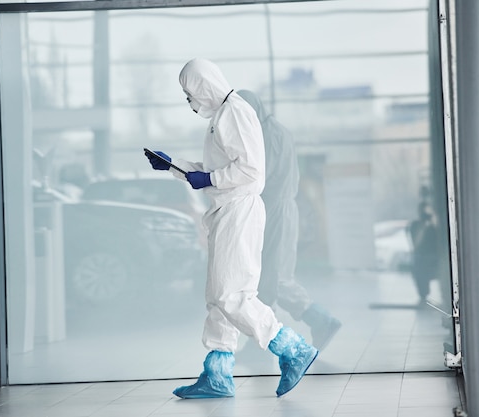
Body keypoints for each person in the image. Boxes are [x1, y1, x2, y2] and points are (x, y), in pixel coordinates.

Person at [145, 58, 318, 399]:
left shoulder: (234, 112)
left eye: (189, 93)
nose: (189, 101)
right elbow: (214, 170)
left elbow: (251, 171)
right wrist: (173, 165)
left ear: (205, 85)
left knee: (232, 295)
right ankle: (218, 374)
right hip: (227, 210)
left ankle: (292, 348)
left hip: (240, 211)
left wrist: (207, 178)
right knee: (218, 297)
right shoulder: (222, 117)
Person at [236, 90, 342, 351]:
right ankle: (260, 341)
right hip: (277, 208)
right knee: (267, 278)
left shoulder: (268, 135)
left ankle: (320, 320)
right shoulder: (274, 130)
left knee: (276, 278)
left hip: (276, 210)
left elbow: (259, 177)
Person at [408, 201, 440, 305]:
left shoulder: (435, 226)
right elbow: (416, 243)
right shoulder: (416, 225)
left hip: (435, 257)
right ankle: (423, 295)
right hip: (423, 257)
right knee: (420, 269)